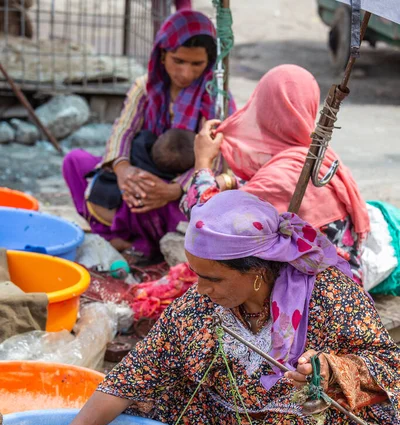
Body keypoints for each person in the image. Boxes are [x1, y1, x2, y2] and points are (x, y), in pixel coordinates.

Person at [26, 190, 399, 425]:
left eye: (213, 278)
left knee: (299, 422)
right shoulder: (201, 305)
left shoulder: (329, 294)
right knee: (153, 395)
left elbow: (388, 366)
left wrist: (331, 370)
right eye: (196, 275)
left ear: (256, 272)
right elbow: (135, 373)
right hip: (229, 424)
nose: (200, 289)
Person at [63, 9, 235, 257]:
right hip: (142, 177)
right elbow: (123, 131)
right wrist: (124, 171)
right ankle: (120, 237)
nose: (186, 73)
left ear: (209, 61)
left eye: (197, 64)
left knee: (193, 209)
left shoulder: (217, 101)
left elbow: (217, 161)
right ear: (163, 54)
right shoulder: (145, 87)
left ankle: (144, 244)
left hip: (184, 189)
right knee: (75, 162)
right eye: (178, 61)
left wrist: (174, 190)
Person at [183, 65, 370, 282]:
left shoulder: (285, 175)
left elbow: (208, 224)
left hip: (310, 293)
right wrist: (228, 181)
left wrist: (203, 161)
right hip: (341, 280)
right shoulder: (317, 157)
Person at [85, 128, 196, 224]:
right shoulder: (156, 181)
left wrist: (119, 164)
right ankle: (128, 241)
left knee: (74, 159)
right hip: (116, 212)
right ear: (179, 174)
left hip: (95, 189)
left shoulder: (141, 139)